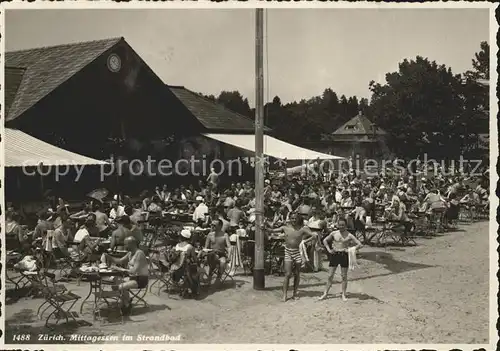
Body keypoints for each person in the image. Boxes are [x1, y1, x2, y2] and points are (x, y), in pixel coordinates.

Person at [270, 212, 314, 302]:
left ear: (298, 219)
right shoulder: (285, 228)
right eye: (292, 218)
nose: (294, 220)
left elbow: (313, 235)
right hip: (288, 252)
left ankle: (294, 293)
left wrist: (305, 241)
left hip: (298, 252)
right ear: (290, 219)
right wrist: (264, 227)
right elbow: (272, 230)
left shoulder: (302, 229)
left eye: (295, 218)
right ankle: (285, 295)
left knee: (297, 274)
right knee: (287, 274)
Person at [102, 236, 149, 315]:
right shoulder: (130, 253)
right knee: (115, 282)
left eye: (126, 244)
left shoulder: (139, 254)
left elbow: (134, 271)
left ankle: (126, 305)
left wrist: (121, 269)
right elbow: (120, 261)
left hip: (140, 280)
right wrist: (108, 256)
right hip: (132, 278)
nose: (124, 246)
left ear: (132, 244)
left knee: (119, 287)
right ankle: (127, 301)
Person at [319, 218, 362, 301]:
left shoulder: (349, 235)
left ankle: (343, 294)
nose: (341, 227)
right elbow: (325, 240)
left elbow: (360, 244)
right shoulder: (334, 233)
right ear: (337, 225)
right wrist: (328, 249)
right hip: (335, 254)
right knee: (330, 275)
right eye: (340, 225)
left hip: (344, 255)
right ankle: (325, 293)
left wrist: (350, 249)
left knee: (344, 276)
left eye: (343, 225)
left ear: (346, 226)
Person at [202, 219, 231, 284]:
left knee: (223, 262)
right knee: (212, 257)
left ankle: (218, 276)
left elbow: (229, 247)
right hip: (211, 254)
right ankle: (210, 275)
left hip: (221, 254)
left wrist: (229, 256)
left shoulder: (225, 235)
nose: (212, 226)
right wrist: (205, 254)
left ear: (220, 226)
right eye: (211, 224)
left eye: (214, 225)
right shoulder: (210, 235)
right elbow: (206, 247)